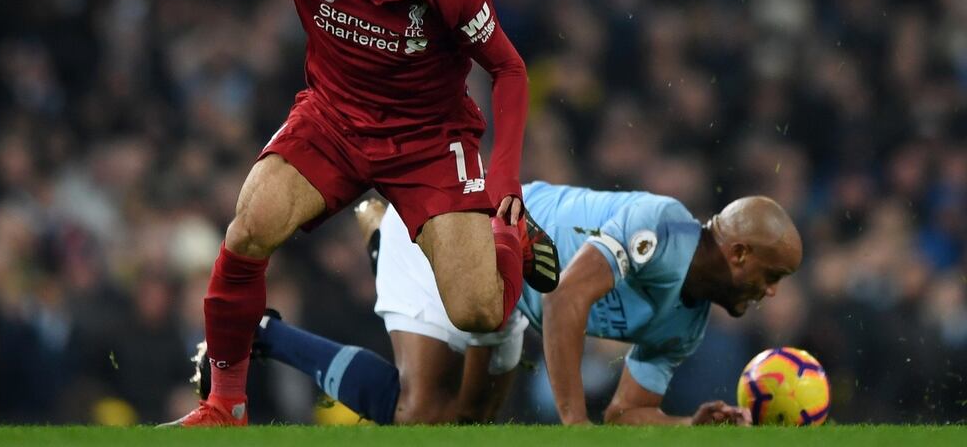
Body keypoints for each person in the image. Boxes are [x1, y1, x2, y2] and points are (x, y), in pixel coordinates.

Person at [130, 0, 560, 426]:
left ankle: (508, 237)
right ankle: (224, 404)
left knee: (477, 313)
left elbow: (509, 68)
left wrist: (505, 183)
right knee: (248, 228)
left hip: (428, 140)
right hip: (333, 122)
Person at [194, 182, 803, 425]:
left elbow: (625, 414)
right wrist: (573, 425)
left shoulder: (687, 323)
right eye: (772, 276)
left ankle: (381, 235)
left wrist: (685, 425)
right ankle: (268, 333)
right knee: (419, 416)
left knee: (463, 430)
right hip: (472, 235)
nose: (772, 293)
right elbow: (568, 300)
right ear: (741, 253)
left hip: (510, 295)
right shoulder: (663, 229)